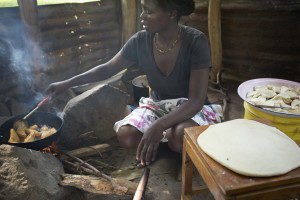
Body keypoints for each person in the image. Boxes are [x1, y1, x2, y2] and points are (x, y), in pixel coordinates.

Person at [46, 0, 222, 167]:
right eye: (142, 9)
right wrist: (67, 83)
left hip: (189, 108)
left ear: (171, 13)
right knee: (126, 135)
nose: (142, 16)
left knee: (179, 136)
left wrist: (158, 126)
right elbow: (106, 69)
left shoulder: (195, 41)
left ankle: (169, 142)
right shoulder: (141, 41)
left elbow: (196, 100)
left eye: (149, 11)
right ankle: (164, 145)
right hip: (158, 105)